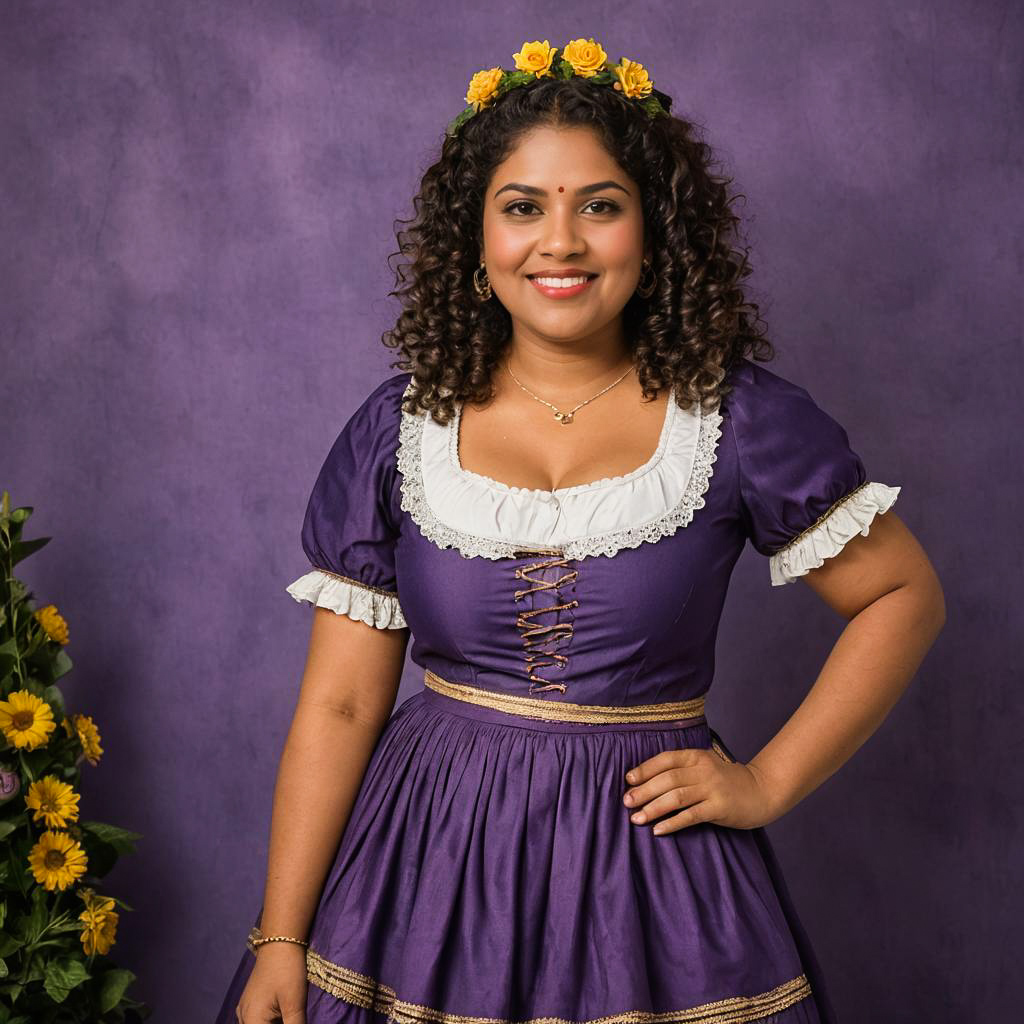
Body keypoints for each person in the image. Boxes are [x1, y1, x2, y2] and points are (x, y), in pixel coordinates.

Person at [217, 37, 945, 1024]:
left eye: (599, 205)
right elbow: (342, 708)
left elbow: (901, 596)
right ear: (476, 240)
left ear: (653, 235)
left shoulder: (740, 421)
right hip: (422, 862)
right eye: (522, 207)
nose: (558, 241)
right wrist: (281, 935)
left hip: (648, 880)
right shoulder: (398, 430)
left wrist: (765, 781)